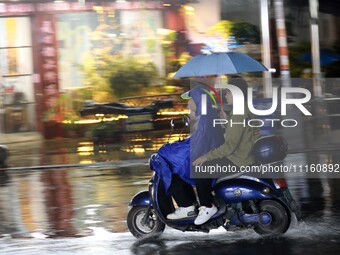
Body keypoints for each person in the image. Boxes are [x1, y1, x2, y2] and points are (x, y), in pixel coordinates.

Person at [192, 77, 259, 225]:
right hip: (245, 156)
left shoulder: (239, 113)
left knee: (198, 168)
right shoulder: (245, 109)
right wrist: (226, 117)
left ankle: (208, 207)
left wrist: (206, 156)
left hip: (237, 160)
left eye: (228, 93)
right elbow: (244, 133)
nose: (226, 96)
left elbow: (230, 146)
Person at [156, 82, 224, 220]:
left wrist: (173, 151)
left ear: (198, 100)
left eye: (191, 101)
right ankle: (190, 206)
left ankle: (200, 206)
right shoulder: (207, 116)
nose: (188, 105)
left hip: (213, 158)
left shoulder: (206, 118)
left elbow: (200, 144)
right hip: (216, 154)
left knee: (176, 167)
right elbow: (199, 140)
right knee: (182, 164)